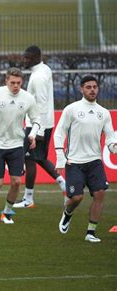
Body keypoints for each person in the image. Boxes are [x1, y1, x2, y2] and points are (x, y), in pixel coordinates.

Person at [0, 67, 41, 224]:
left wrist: (33, 134)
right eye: (12, 83)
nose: (15, 86)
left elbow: (36, 119)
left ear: (22, 82)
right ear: (6, 81)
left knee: (16, 181)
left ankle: (7, 212)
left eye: (18, 83)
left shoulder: (28, 98)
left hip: (16, 144)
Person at [55, 76, 116, 243]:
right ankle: (67, 214)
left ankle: (91, 232)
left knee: (100, 194)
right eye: (88, 87)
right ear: (82, 89)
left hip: (95, 161)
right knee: (76, 198)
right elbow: (60, 133)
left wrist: (114, 147)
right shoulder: (72, 109)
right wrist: (60, 157)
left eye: (95, 87)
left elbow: (110, 137)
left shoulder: (103, 113)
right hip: (74, 162)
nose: (92, 90)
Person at [14, 45, 66, 209]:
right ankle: (64, 184)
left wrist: (39, 130)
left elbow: (42, 104)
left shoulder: (38, 78)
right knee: (40, 158)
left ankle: (28, 199)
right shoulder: (45, 69)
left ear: (36, 57)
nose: (24, 60)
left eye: (27, 57)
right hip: (44, 122)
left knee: (29, 158)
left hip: (37, 125)